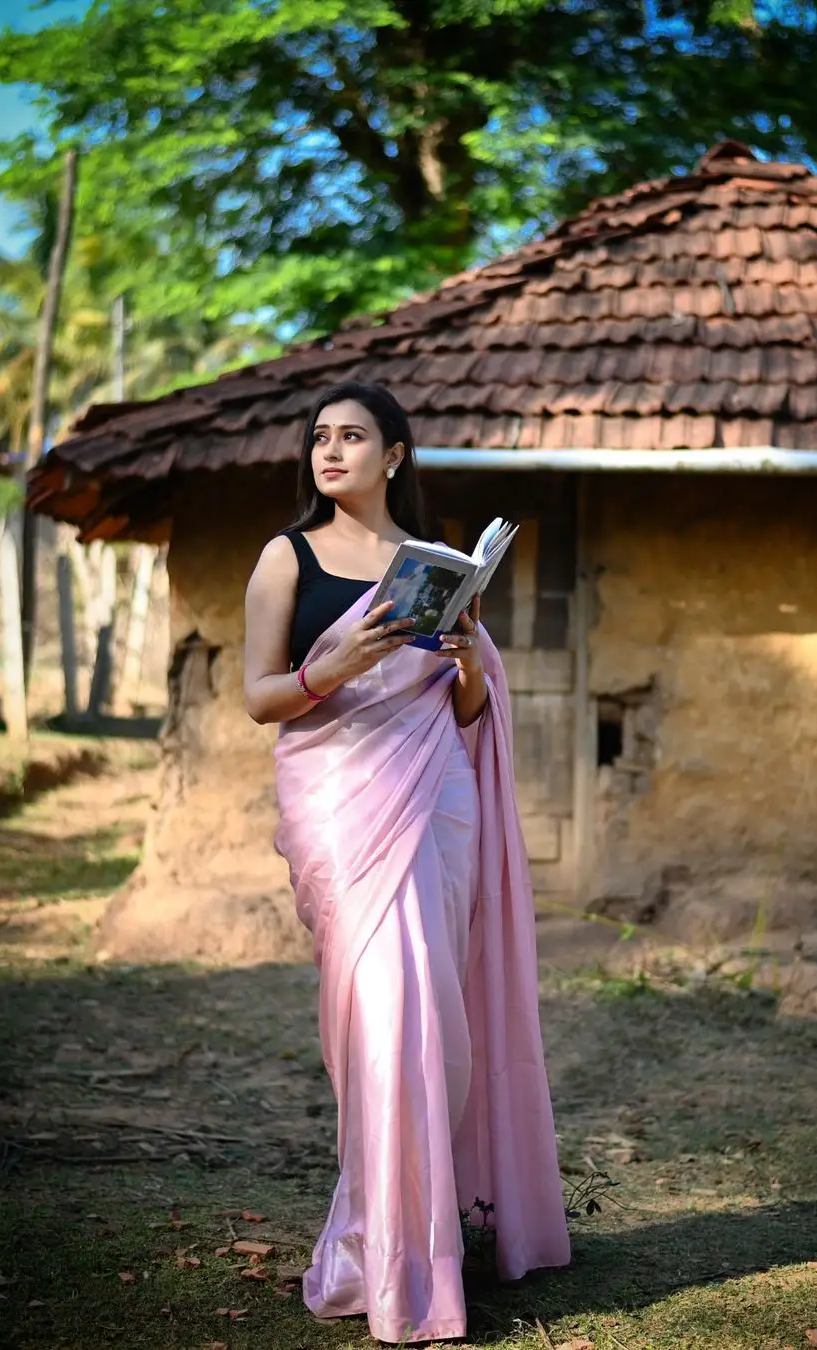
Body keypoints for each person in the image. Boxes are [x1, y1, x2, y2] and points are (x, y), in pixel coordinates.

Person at [243, 381, 571, 1344]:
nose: (329, 451)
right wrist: (329, 669)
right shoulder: (286, 557)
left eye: (352, 437)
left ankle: (431, 1237)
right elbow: (261, 697)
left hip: (437, 807)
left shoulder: (433, 567)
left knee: (441, 1023)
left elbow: (467, 715)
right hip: (342, 811)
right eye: (319, 438)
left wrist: (469, 658)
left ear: (395, 456)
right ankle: (382, 1253)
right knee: (383, 1023)